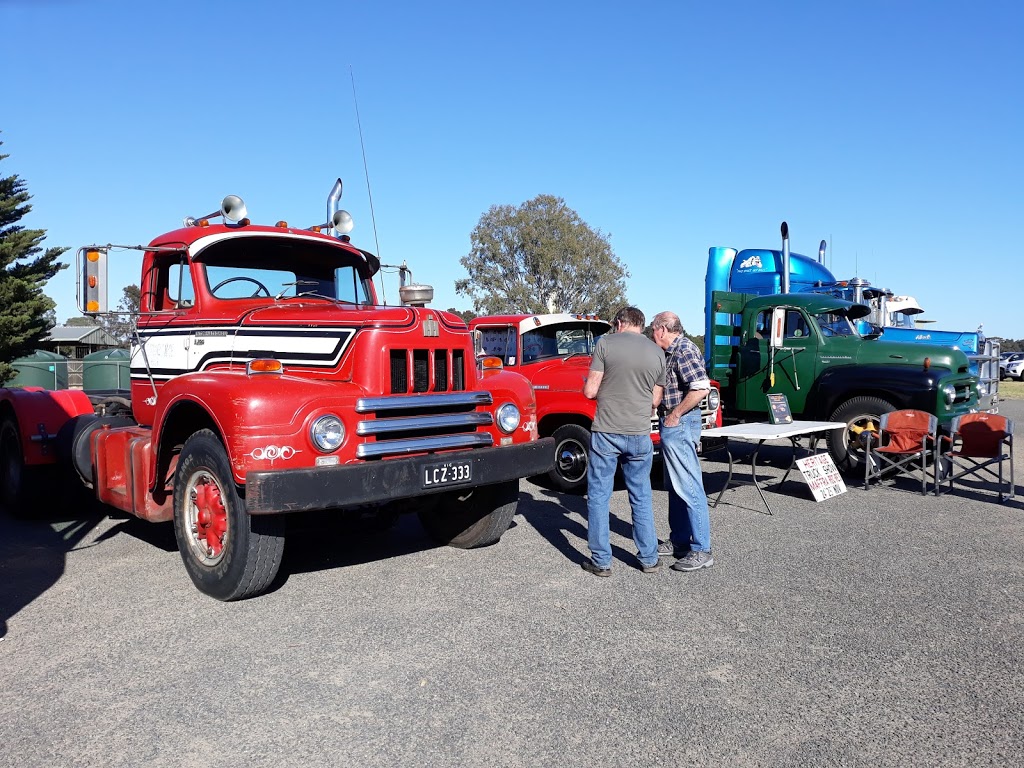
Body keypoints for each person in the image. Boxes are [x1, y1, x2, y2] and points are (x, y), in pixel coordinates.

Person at [580, 306, 666, 576]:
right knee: (640, 496)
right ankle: (649, 558)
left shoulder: (604, 344)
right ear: (641, 325)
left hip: (607, 430)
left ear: (619, 323)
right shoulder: (657, 351)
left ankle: (602, 561)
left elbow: (590, 391)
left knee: (598, 496)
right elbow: (655, 400)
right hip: (639, 433)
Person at [650, 311, 714, 572]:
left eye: (653, 329)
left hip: (680, 424)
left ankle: (701, 550)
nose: (652, 334)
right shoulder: (671, 351)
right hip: (674, 424)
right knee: (676, 487)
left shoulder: (684, 349)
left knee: (689, 486)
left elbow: (700, 387)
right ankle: (679, 541)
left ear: (663, 329)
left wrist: (675, 414)